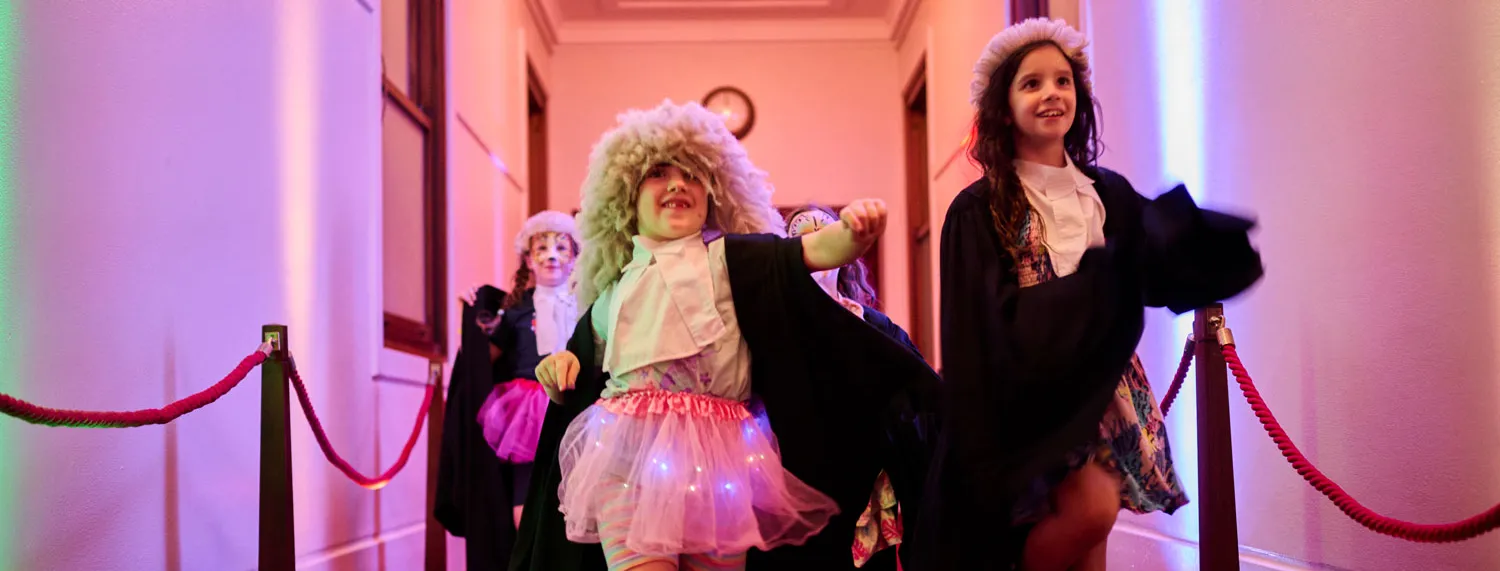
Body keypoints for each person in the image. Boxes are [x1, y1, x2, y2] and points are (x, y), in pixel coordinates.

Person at [510, 100, 939, 571]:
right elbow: (583, 358)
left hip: (718, 466)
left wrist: (852, 234)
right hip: (625, 461)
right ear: (627, 199)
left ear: (715, 194)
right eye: (658, 173)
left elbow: (809, 252)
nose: (677, 183)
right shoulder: (615, 291)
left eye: (692, 175)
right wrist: (561, 365)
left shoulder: (735, 260)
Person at [910, 17, 1265, 571]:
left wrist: (1203, 251)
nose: (1052, 93)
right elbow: (977, 323)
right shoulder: (977, 209)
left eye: (1063, 80)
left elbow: (1152, 263)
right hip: (1030, 392)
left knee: (1092, 544)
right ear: (1003, 107)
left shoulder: (1105, 192)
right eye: (1031, 83)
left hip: (1103, 384)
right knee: (1092, 510)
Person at [784, 204, 928, 568]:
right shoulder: (773, 327)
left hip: (864, 490)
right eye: (803, 238)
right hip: (792, 487)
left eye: (826, 235)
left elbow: (920, 400)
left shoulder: (878, 329)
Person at [478, 210, 582, 529]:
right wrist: (471, 313)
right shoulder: (516, 310)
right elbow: (482, 358)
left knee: (579, 486)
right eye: (542, 248)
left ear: (576, 257)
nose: (552, 256)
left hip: (577, 401)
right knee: (527, 491)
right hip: (527, 410)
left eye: (561, 247)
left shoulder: (586, 304)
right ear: (528, 260)